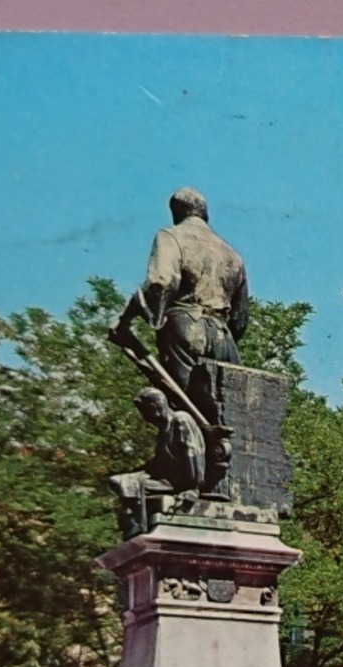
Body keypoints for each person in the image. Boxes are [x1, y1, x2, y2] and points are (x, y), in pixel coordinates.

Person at [112, 187, 248, 486]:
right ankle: (215, 484)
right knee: (217, 413)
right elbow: (240, 318)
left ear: (176, 213)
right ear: (205, 213)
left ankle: (179, 480)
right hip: (224, 337)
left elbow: (161, 281)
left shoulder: (170, 236)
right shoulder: (232, 254)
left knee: (179, 405)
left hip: (185, 326)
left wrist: (128, 319)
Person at [107, 389, 208, 539]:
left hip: (178, 481)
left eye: (145, 411)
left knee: (131, 484)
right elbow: (160, 462)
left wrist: (193, 488)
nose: (144, 417)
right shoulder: (163, 430)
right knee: (119, 481)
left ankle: (136, 523)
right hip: (164, 477)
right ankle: (134, 522)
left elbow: (193, 455)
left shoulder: (181, 420)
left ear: (155, 407)